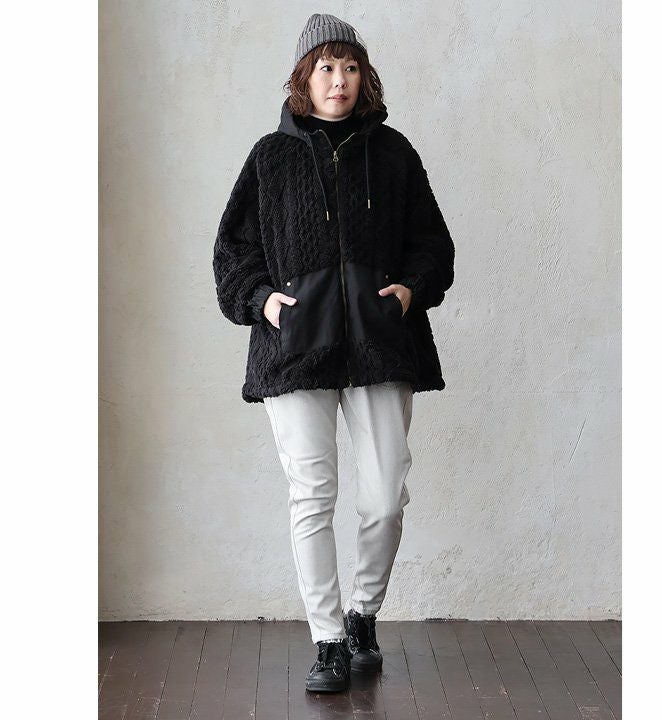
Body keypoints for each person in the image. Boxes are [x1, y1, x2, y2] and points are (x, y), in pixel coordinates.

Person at [212, 14, 455, 693]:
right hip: (295, 349)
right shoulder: (270, 157)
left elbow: (432, 243)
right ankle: (327, 641)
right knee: (312, 496)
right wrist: (261, 300)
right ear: (304, 77)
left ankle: (362, 617)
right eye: (325, 67)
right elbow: (232, 250)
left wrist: (409, 292)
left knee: (384, 497)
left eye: (349, 67)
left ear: (363, 76)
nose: (338, 80)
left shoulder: (394, 154)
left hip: (380, 344)